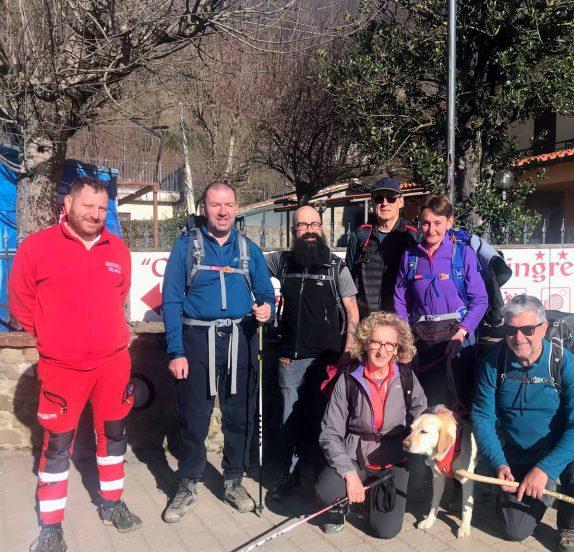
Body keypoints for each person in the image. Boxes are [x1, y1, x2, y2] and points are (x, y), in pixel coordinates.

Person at [9, 176, 141, 552]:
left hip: (112, 364)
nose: (95, 214)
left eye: (102, 208)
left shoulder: (117, 248)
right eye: (88, 205)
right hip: (62, 367)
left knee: (114, 436)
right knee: (57, 445)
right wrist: (52, 336)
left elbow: (119, 295)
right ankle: (51, 526)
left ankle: (112, 504)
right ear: (67, 204)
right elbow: (20, 302)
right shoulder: (38, 247)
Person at [161, 181, 275, 523]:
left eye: (228, 204)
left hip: (240, 338)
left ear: (236, 207)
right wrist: (176, 351)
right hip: (197, 340)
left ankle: (233, 480)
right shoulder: (186, 247)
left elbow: (266, 292)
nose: (222, 211)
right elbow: (171, 301)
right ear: (204, 208)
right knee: (194, 417)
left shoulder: (248, 248)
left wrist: (266, 308)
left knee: (238, 415)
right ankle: (187, 483)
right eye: (215, 205)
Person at [472, 295, 574, 552]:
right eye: (511, 330)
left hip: (559, 447)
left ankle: (570, 524)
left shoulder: (565, 364)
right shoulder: (494, 363)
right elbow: (483, 418)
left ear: (543, 328)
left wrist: (546, 469)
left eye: (528, 329)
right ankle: (535, 491)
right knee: (514, 531)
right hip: (517, 452)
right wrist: (498, 463)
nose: (518, 338)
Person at [264, 205, 360, 500]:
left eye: (314, 225)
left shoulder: (336, 266)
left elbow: (353, 314)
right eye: (302, 226)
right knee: (288, 421)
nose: (308, 230)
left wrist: (347, 352)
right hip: (289, 358)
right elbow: (249, 263)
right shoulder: (281, 262)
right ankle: (288, 476)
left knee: (326, 421)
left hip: (327, 361)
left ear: (322, 228)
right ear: (293, 231)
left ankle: (325, 482)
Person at [316, 311, 427, 537]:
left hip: (393, 460)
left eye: (389, 344)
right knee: (327, 489)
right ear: (366, 344)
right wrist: (348, 473)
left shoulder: (406, 377)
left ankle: (369, 500)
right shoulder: (348, 378)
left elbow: (422, 415)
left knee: (385, 530)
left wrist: (439, 416)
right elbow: (329, 434)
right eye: (376, 342)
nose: (381, 350)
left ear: (397, 348)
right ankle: (339, 508)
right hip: (356, 458)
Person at [393, 194, 488, 411]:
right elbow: (400, 300)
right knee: (425, 407)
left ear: (450, 221)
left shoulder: (463, 255)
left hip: (458, 342)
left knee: (459, 407)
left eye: (437, 223)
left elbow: (480, 300)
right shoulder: (410, 258)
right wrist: (406, 340)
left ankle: (458, 446)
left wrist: (461, 333)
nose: (431, 229)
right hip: (422, 343)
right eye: (425, 223)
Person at [346, 177, 418, 317]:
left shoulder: (412, 236)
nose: (385, 203)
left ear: (401, 202)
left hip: (400, 320)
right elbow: (348, 280)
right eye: (379, 198)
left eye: (391, 198)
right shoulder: (360, 235)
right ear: (372, 202)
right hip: (367, 320)